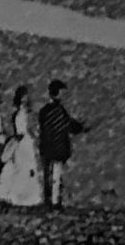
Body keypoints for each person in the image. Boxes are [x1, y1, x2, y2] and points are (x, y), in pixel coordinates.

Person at [38, 79, 89, 210]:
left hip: (47, 147)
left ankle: (48, 200)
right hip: (58, 147)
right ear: (57, 94)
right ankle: (55, 202)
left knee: (47, 175)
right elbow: (68, 125)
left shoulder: (43, 111)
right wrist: (82, 127)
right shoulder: (59, 111)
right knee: (56, 176)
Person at [0, 86, 43, 207]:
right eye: (22, 97)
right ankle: (20, 196)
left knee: (27, 168)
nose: (24, 100)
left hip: (25, 142)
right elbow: (21, 130)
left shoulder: (25, 114)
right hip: (22, 142)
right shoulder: (20, 114)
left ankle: (26, 196)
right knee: (21, 167)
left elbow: (29, 129)